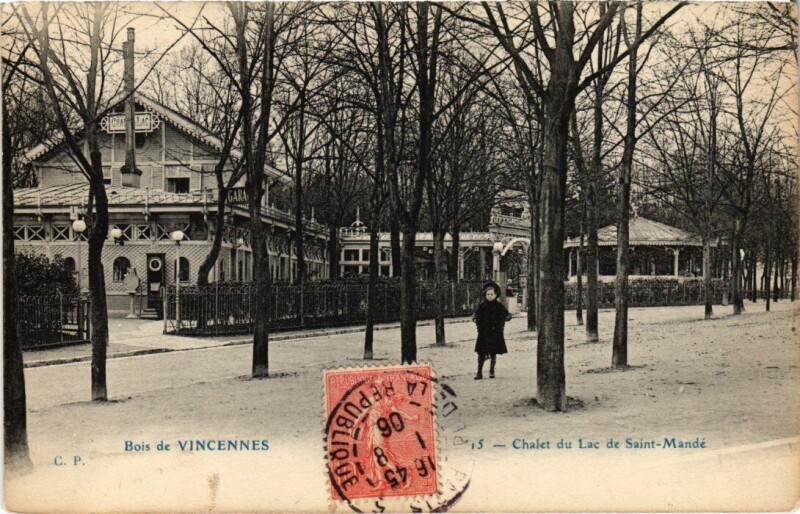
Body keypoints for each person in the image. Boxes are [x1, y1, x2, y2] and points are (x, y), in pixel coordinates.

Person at [472, 282, 512, 380]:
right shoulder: (482, 306)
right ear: (485, 295)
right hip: (483, 333)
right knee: (481, 352)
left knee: (493, 351)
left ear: (496, 295)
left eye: (491, 294)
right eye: (488, 294)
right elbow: (475, 315)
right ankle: (479, 372)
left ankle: (491, 371)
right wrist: (475, 319)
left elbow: (506, 315)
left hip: (495, 333)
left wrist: (507, 317)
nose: (489, 296)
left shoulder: (499, 306)